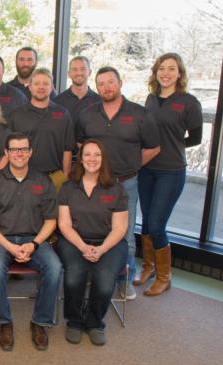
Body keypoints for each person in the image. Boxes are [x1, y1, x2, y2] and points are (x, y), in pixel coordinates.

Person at [76, 66, 160, 300]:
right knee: (90, 230)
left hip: (126, 183)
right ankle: (94, 276)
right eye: (101, 84)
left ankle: (125, 279)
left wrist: (132, 165)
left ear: (120, 83)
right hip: (93, 183)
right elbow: (81, 145)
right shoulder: (88, 114)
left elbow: (154, 148)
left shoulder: (139, 114)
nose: (106, 88)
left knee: (123, 233)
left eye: (110, 82)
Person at [0, 132, 61, 351]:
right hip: (0, 239)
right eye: (14, 149)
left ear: (30, 152)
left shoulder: (42, 181)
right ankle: (4, 321)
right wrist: (9, 246)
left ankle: (40, 322)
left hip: (34, 239)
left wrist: (34, 244)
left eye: (24, 149)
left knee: (54, 267)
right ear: (6, 153)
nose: (19, 153)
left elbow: (51, 220)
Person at [136, 53, 203, 296]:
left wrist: (171, 146)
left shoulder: (189, 102)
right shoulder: (151, 99)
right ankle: (148, 267)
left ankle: (165, 276)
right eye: (161, 68)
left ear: (180, 73)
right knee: (145, 221)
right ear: (156, 72)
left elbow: (195, 138)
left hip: (171, 171)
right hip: (146, 169)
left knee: (157, 225)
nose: (165, 73)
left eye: (171, 69)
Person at [57, 139, 128, 346]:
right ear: (80, 159)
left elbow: (120, 228)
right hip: (73, 241)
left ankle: (95, 323)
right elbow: (64, 224)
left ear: (103, 158)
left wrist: (101, 248)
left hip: (110, 243)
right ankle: (75, 322)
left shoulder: (116, 189)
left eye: (97, 154)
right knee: (73, 278)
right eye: (87, 154)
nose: (92, 159)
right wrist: (83, 247)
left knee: (105, 282)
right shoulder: (68, 187)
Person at [7, 68, 75, 191]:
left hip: (55, 177)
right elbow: (8, 150)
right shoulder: (16, 115)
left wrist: (65, 176)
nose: (41, 87)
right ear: (30, 87)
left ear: (52, 87)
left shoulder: (63, 114)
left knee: (55, 211)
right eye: (37, 83)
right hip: (24, 177)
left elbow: (67, 149)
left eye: (46, 83)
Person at [53, 56, 101, 123]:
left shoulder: (100, 101)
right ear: (69, 74)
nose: (79, 73)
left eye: (83, 69)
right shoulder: (57, 102)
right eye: (75, 69)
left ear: (90, 72)